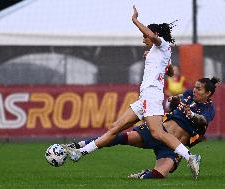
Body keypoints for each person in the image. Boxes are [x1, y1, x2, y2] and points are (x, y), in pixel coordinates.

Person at [63, 5, 200, 179]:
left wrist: (135, 20)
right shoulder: (159, 52)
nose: (144, 39)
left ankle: (191, 157)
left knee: (157, 133)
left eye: (145, 36)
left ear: (155, 35)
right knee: (114, 128)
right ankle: (81, 152)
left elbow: (152, 37)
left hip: (152, 96)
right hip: (144, 98)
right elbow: (171, 72)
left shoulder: (162, 44)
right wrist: (157, 62)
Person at [64, 77, 220, 179]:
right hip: (159, 131)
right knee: (122, 137)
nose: (194, 90)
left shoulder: (209, 109)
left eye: (199, 89)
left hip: (172, 146)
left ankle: (142, 175)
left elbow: (202, 120)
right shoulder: (188, 95)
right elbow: (175, 99)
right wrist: (173, 99)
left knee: (160, 174)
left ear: (208, 93)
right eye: (195, 87)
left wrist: (191, 115)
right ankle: (78, 145)